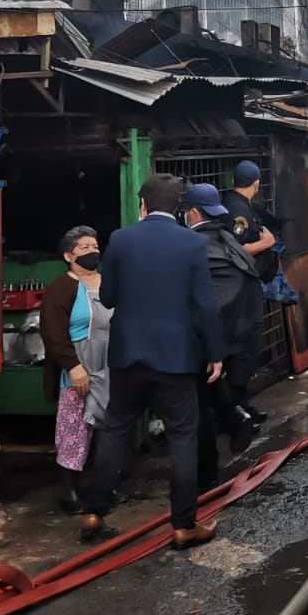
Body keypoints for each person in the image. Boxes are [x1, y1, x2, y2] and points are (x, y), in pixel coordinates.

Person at [77, 174, 225, 550]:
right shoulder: (192, 243)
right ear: (177, 207)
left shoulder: (122, 239)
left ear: (142, 204)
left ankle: (94, 511)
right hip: (176, 358)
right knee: (182, 436)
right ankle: (183, 525)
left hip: (128, 354)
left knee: (115, 430)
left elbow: (108, 298)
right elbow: (205, 304)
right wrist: (215, 353)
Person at [183, 183, 267, 490]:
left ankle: (207, 474)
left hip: (213, 329)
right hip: (242, 325)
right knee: (208, 386)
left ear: (191, 212)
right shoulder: (227, 237)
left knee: (197, 400)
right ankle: (235, 416)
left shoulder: (193, 244)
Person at [39, 225, 113, 515]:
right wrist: (73, 366)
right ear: (69, 255)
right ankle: (70, 491)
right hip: (77, 367)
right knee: (74, 429)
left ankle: (105, 484)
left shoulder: (107, 282)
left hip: (107, 364)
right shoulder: (61, 288)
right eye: (84, 248)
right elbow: (53, 334)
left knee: (107, 427)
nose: (92, 251)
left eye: (95, 246)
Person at [223, 160, 293, 425]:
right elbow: (234, 249)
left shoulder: (244, 206)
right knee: (241, 350)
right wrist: (266, 243)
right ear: (256, 183)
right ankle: (235, 412)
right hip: (239, 287)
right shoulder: (237, 210)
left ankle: (242, 405)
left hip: (248, 284)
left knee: (247, 349)